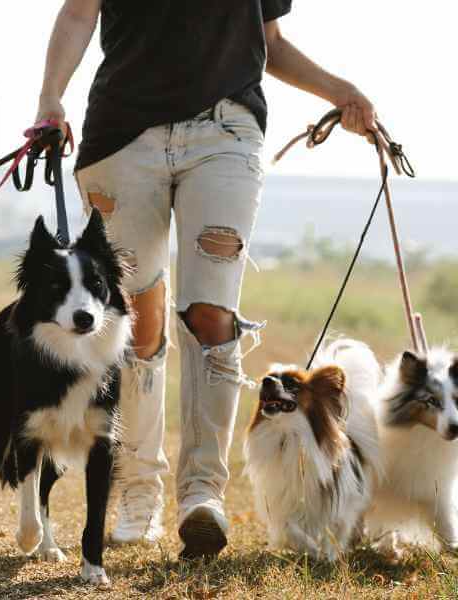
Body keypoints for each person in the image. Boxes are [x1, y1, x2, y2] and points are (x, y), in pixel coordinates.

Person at [34, 0, 376, 559]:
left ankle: (202, 495)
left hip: (226, 133)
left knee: (212, 314)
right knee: (135, 320)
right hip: (124, 135)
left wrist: (341, 91)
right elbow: (78, 13)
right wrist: (51, 99)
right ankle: (138, 491)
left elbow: (271, 41)